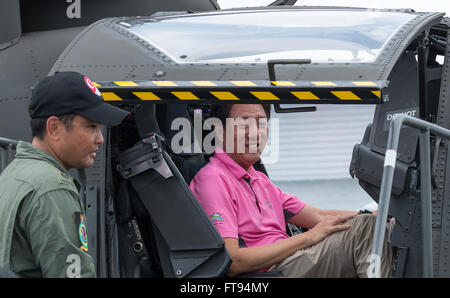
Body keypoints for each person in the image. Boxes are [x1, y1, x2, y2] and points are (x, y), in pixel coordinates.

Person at [190, 103, 393, 278]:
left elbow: (320, 215)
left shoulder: (258, 179)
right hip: (271, 271)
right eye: (243, 123)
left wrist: (379, 214)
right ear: (219, 130)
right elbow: (232, 262)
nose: (254, 133)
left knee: (380, 226)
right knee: (368, 229)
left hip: (293, 260)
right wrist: (306, 238)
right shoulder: (213, 180)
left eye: (261, 123)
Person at [0, 71, 130, 278]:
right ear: (54, 128)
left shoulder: (13, 174)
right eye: (91, 126)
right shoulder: (52, 187)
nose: (100, 139)